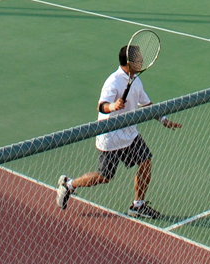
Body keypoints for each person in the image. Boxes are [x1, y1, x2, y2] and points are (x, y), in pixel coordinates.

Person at [57, 45, 182, 219]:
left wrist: (163, 119)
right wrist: (113, 106)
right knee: (104, 177)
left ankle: (138, 205)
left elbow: (146, 105)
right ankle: (69, 184)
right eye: (139, 59)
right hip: (111, 136)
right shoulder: (113, 81)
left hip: (129, 134)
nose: (142, 61)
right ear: (129, 63)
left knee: (145, 162)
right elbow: (101, 106)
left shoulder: (135, 80)